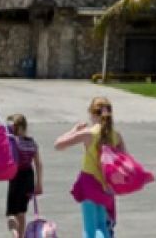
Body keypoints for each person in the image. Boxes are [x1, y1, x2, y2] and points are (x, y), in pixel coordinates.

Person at [54, 97, 122, 238]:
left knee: (90, 228)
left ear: (93, 114)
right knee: (102, 225)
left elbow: (58, 144)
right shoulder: (116, 136)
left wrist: (74, 130)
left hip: (89, 182)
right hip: (106, 185)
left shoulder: (89, 134)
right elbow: (125, 160)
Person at [3, 115, 43, 238]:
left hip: (16, 177)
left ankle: (15, 235)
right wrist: (39, 184)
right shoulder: (32, 142)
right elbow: (38, 164)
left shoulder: (13, 142)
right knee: (22, 212)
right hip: (28, 177)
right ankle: (21, 235)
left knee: (11, 213)